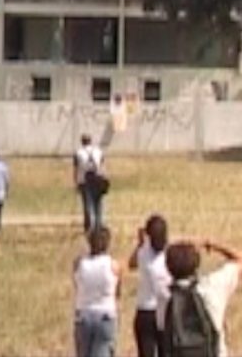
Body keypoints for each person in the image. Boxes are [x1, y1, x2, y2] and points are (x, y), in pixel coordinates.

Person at [158, 238, 242, 357]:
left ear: (168, 268)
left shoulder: (164, 295)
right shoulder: (212, 286)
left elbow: (162, 331)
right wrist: (212, 244)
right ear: (197, 263)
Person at [73, 226, 121, 357]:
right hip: (105, 315)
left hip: (83, 315)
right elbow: (117, 293)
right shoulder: (113, 265)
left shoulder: (79, 264)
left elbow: (77, 285)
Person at [128, 215, 172, 357]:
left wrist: (140, 243)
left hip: (145, 311)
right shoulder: (169, 255)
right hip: (164, 311)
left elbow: (131, 264)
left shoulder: (144, 252)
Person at [74, 134, 106, 233]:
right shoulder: (98, 151)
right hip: (98, 180)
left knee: (88, 204)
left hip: (85, 181)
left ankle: (90, 227)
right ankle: (99, 225)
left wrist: (76, 182)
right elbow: (103, 166)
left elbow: (76, 169)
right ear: (91, 141)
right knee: (99, 204)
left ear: (82, 142)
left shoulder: (78, 153)